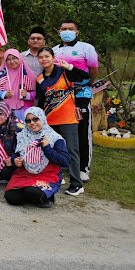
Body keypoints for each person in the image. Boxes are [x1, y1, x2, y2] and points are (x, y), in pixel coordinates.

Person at [36, 46, 90, 197]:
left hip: (67, 118)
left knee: (71, 150)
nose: (44, 59)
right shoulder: (40, 79)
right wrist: (40, 120)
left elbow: (85, 77)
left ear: (53, 57)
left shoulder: (65, 72)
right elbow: (41, 101)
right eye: (41, 57)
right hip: (49, 120)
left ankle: (76, 183)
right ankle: (55, 176)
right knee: (52, 149)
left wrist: (70, 67)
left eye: (47, 56)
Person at [52, 19, 99, 183]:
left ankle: (82, 168)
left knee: (82, 130)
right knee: (60, 131)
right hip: (61, 96)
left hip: (81, 94)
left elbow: (93, 70)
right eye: (63, 28)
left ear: (77, 32)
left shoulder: (87, 48)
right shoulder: (54, 50)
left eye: (70, 28)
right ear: (59, 31)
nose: (67, 31)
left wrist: (87, 84)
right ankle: (62, 164)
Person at [4, 107, 70, 208]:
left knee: (32, 192)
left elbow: (65, 161)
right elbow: (15, 153)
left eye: (35, 119)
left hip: (47, 174)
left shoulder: (54, 138)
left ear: (42, 118)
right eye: (28, 120)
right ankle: (36, 195)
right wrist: (14, 160)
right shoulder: (21, 136)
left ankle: (45, 196)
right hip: (25, 173)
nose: (32, 123)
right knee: (11, 197)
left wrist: (47, 148)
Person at [0, 49, 36, 120]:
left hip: (25, 109)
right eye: (8, 59)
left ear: (19, 58)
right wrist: (5, 94)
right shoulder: (2, 75)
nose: (12, 61)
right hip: (6, 109)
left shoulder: (28, 74)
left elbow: (36, 92)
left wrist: (27, 95)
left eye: (14, 58)